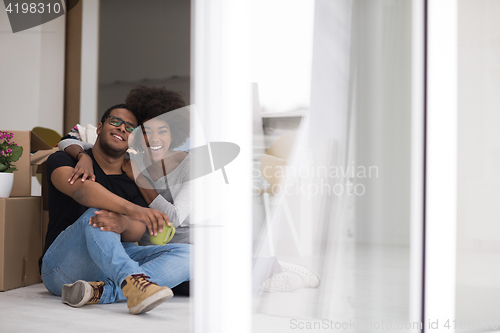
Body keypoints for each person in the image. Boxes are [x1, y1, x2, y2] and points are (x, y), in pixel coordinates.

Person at [59, 86, 320, 294]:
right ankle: (258, 268)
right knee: (176, 284)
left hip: (195, 246)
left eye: (163, 130)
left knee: (201, 284)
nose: (156, 138)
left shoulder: (191, 164)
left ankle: (271, 267)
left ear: (175, 134)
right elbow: (70, 137)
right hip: (158, 250)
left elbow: (172, 218)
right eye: (148, 131)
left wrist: (140, 181)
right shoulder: (132, 156)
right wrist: (82, 156)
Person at [41, 104, 191, 314]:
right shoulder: (64, 160)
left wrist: (125, 222)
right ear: (100, 128)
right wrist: (134, 211)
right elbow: (82, 192)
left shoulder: (132, 178)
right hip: (61, 267)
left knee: (192, 255)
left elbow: (137, 231)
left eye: (130, 128)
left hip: (108, 266)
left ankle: (105, 291)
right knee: (99, 213)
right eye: (116, 121)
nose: (122, 128)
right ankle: (132, 284)